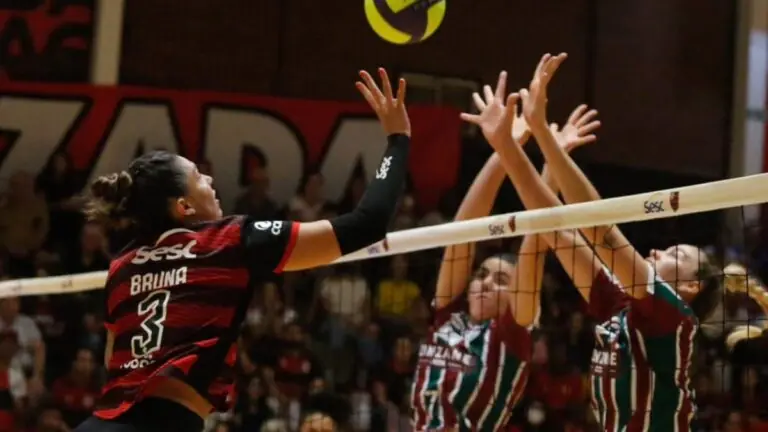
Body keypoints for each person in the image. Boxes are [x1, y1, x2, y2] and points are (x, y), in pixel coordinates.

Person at [74, 68, 411, 432]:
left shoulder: (123, 263)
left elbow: (113, 357)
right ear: (184, 207)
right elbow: (368, 222)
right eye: (199, 177)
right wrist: (398, 139)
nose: (211, 180)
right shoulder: (229, 239)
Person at [462, 53, 722, 431]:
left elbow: (599, 227)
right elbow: (555, 227)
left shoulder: (673, 315)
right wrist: (507, 146)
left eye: (674, 254)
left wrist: (543, 135)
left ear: (689, 287)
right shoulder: (619, 305)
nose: (656, 251)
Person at [411, 70, 599, 431]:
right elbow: (462, 233)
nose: (484, 283)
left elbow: (534, 243)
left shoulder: (511, 333)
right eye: (482, 275)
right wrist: (503, 147)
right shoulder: (449, 315)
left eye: (500, 280)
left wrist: (552, 162)